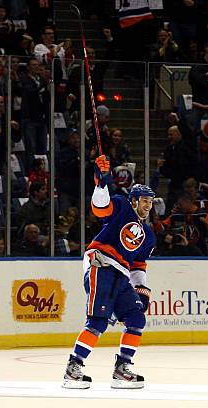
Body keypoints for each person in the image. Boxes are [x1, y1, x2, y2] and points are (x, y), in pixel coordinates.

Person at [63, 155, 156, 390]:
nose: (148, 205)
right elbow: (100, 208)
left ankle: (122, 369)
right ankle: (73, 369)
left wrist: (141, 288)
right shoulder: (122, 206)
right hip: (101, 264)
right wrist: (101, 183)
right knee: (97, 321)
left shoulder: (149, 235)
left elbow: (138, 265)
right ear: (134, 201)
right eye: (145, 201)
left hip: (121, 274)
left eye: (151, 202)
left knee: (136, 318)